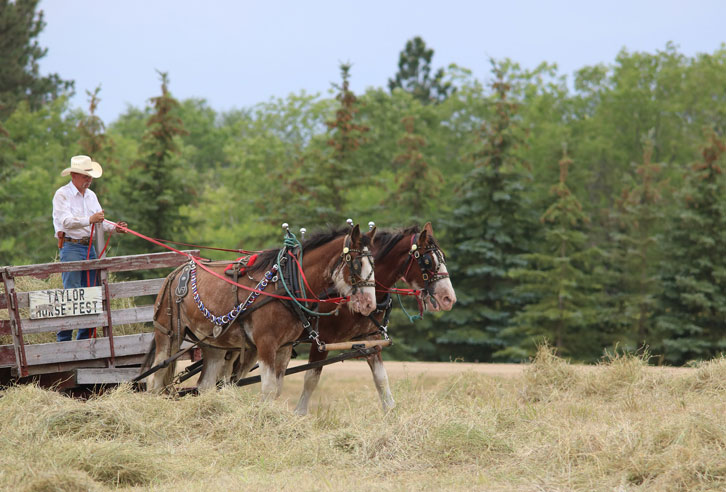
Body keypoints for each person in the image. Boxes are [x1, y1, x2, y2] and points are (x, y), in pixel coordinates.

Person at [52, 155, 128, 342]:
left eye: (90, 176)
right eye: (86, 176)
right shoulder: (62, 194)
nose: (89, 180)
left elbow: (100, 220)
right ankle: (64, 340)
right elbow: (66, 222)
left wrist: (115, 228)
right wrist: (90, 220)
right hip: (71, 246)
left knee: (91, 293)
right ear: (75, 175)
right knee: (73, 294)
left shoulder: (91, 195)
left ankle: (84, 340)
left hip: (88, 248)